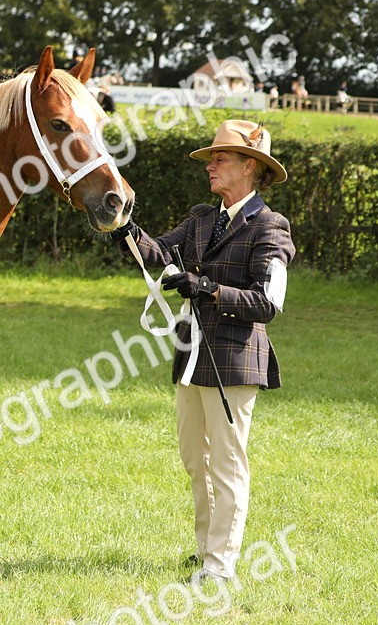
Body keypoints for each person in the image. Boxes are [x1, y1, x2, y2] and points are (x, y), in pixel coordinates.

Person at [110, 120, 295, 584]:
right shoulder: (200, 219)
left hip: (234, 358)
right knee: (196, 458)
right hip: (191, 353)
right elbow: (157, 252)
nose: (210, 164)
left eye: (221, 158)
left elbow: (267, 303)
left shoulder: (271, 227)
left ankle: (221, 565)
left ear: (250, 167)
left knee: (226, 464)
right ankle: (204, 549)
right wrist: (124, 225)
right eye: (211, 158)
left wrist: (207, 288)